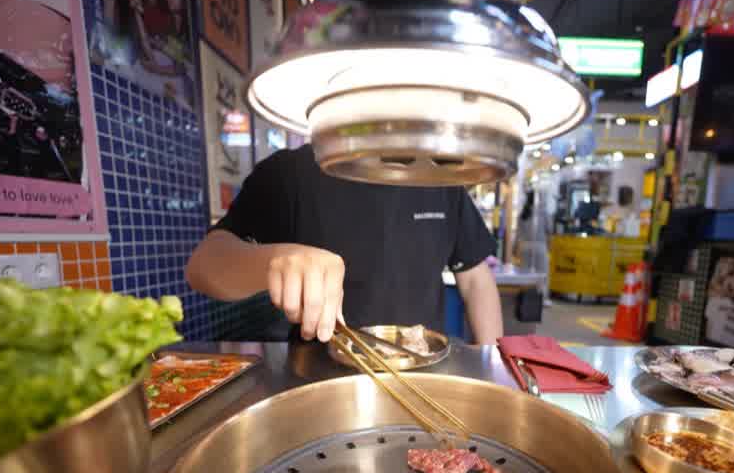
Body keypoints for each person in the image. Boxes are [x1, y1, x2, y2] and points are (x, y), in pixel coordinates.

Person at [186, 145, 504, 344]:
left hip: (424, 371)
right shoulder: (292, 173)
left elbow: (476, 279)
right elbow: (203, 266)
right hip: (318, 376)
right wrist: (274, 260)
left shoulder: (441, 181)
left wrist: (493, 363)